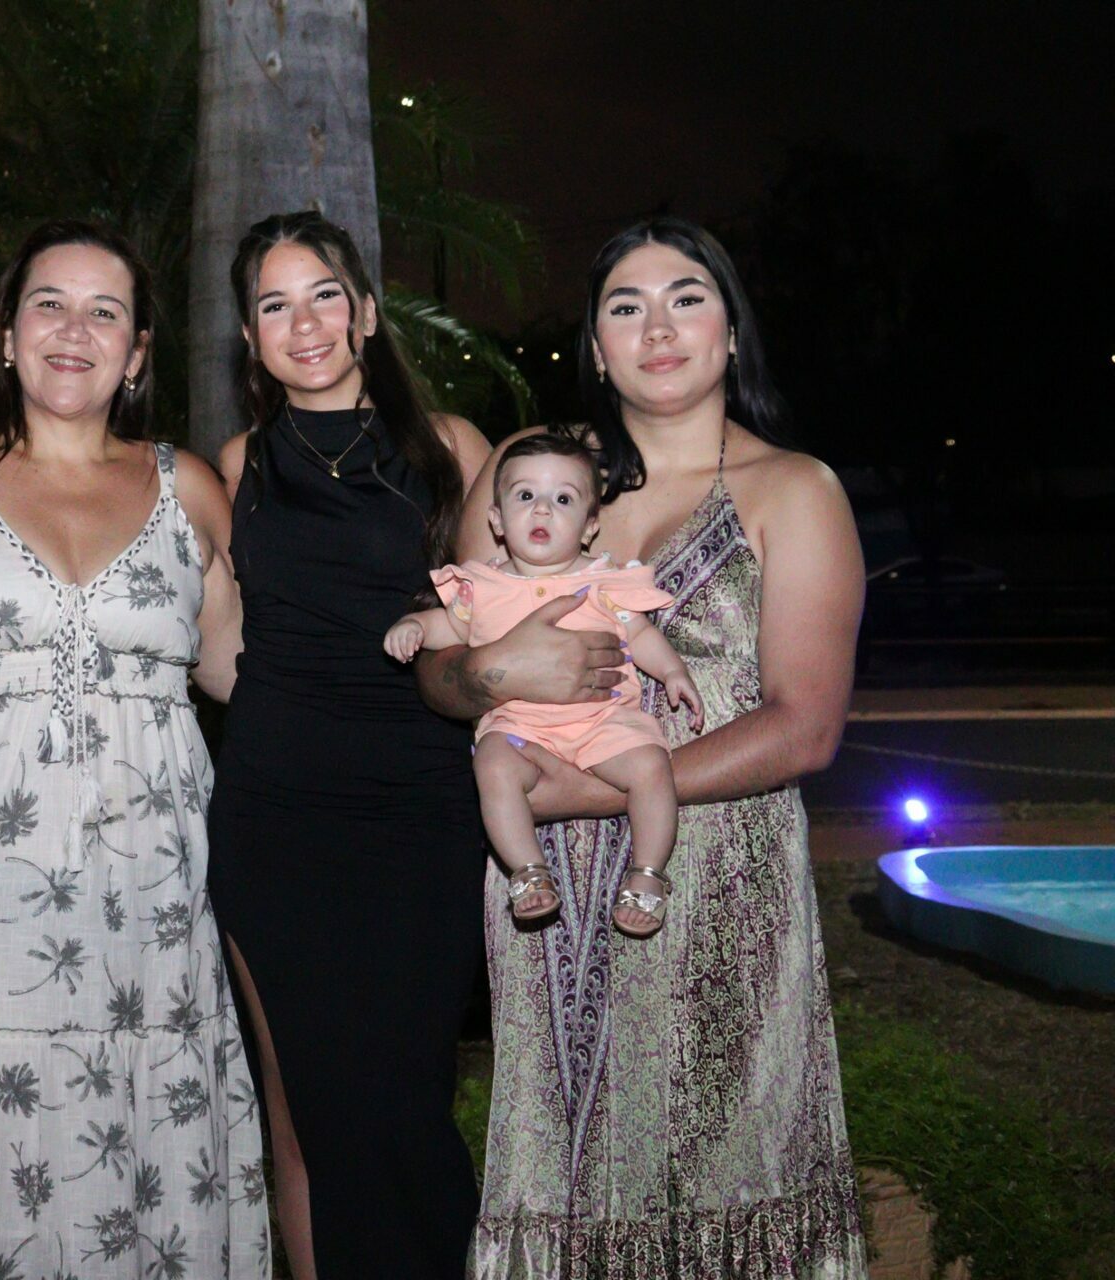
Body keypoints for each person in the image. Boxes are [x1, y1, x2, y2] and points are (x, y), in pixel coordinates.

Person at [415, 217, 867, 1277]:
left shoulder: (795, 489)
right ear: (596, 344)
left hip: (723, 894)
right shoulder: (529, 476)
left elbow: (805, 725)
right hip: (545, 894)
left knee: (722, 1170)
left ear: (731, 331)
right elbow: (438, 670)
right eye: (626, 306)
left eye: (685, 299)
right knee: (564, 1168)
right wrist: (490, 672)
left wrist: (592, 793)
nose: (657, 328)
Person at [0, 220, 269, 1278]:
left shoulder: (189, 486)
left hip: (149, 884)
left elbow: (241, 673)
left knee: (138, 1117)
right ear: (8, 334)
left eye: (106, 312)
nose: (74, 330)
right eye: (49, 304)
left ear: (138, 350)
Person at [206, 210, 491, 1279]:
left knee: (408, 1098)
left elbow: (497, 625)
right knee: (303, 1110)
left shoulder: (452, 448)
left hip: (422, 810)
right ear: (250, 337)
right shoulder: (237, 464)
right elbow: (224, 648)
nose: (305, 323)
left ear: (366, 312)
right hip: (273, 817)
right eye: (275, 305)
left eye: (324, 294)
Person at [385, 432, 704, 937]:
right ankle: (527, 871)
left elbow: (639, 634)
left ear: (590, 526)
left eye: (563, 499)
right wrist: (415, 627)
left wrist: (671, 671)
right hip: (521, 727)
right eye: (525, 495)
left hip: (602, 720)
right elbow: (450, 628)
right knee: (492, 764)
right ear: (496, 520)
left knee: (650, 765)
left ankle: (647, 872)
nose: (542, 510)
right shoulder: (481, 586)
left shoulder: (602, 582)